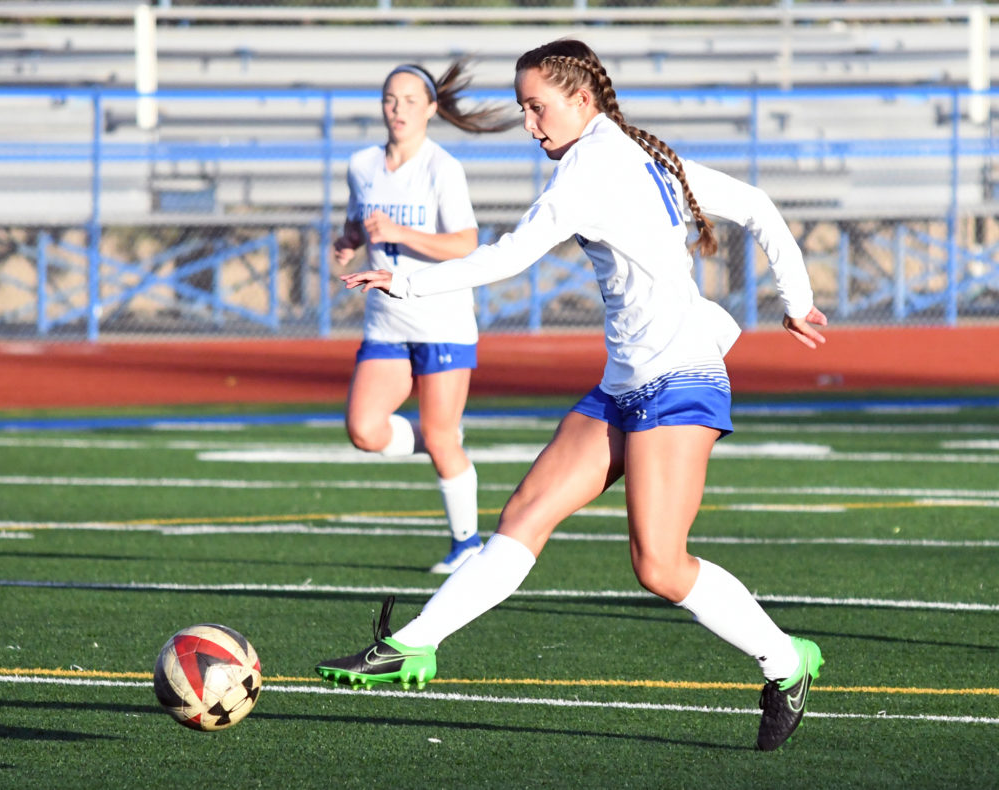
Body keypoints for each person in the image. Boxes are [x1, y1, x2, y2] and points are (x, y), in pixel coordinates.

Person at [318, 39, 829, 752]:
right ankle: (411, 646)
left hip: (680, 379)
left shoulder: (592, 168)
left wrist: (404, 279)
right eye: (524, 108)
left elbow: (508, 257)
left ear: (582, 101)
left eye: (538, 107)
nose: (530, 124)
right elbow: (759, 207)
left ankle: (786, 662)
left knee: (659, 564)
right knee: (525, 513)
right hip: (624, 383)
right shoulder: (636, 152)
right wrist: (794, 300)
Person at [334, 60, 515, 574]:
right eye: (391, 99)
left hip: (442, 320)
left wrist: (402, 233)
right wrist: (350, 241)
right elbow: (358, 219)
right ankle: (443, 438)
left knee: (440, 437)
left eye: (411, 101)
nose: (399, 109)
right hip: (385, 322)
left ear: (432, 109)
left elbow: (465, 243)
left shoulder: (442, 168)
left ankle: (467, 546)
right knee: (365, 429)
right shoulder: (362, 164)